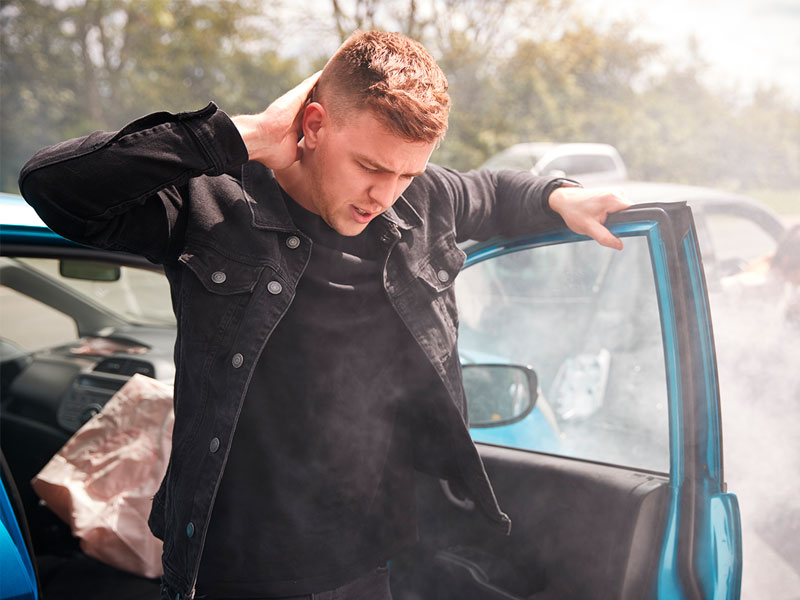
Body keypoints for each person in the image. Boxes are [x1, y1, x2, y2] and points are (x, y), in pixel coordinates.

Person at [19, 30, 629, 600]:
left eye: (405, 173)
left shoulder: (421, 199)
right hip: (230, 568)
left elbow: (493, 192)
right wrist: (246, 135)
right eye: (369, 167)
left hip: (369, 565)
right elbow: (54, 186)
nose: (385, 194)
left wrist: (560, 195)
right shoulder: (215, 204)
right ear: (313, 124)